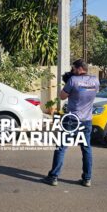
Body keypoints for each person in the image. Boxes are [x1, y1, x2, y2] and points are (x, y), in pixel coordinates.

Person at [43, 59, 99, 187]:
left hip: (72, 120)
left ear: (79, 69)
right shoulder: (95, 80)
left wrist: (67, 83)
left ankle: (53, 177)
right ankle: (87, 179)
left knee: (61, 147)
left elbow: (62, 96)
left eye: (73, 69)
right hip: (87, 120)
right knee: (86, 149)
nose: (72, 71)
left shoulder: (73, 80)